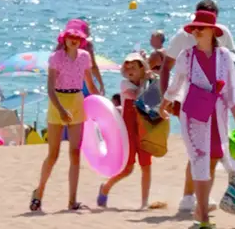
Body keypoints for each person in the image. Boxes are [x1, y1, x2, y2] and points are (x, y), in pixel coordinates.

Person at [163, 3, 235, 226]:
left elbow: (231, 90)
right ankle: (203, 215)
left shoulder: (225, 56)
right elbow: (175, 83)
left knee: (214, 158)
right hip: (195, 117)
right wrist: (164, 103)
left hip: (218, 118)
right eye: (194, 28)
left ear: (212, 32)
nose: (196, 32)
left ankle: (201, 209)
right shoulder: (186, 56)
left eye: (201, 28)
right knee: (199, 159)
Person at [30, 18, 104, 213]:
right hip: (58, 103)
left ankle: (72, 200)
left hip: (77, 101)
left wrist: (101, 101)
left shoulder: (84, 57)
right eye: (71, 36)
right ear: (64, 38)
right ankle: (39, 193)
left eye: (78, 37)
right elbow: (50, 88)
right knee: (53, 154)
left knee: (75, 153)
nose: (74, 40)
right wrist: (61, 110)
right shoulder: (56, 58)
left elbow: (89, 83)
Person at [97, 53, 156, 210]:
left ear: (142, 68)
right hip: (128, 130)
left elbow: (156, 97)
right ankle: (106, 187)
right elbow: (137, 96)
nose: (130, 70)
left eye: (134, 67)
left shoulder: (148, 81)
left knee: (146, 165)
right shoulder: (125, 84)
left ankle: (144, 202)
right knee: (127, 168)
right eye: (127, 67)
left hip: (144, 129)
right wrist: (148, 80)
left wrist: (152, 80)